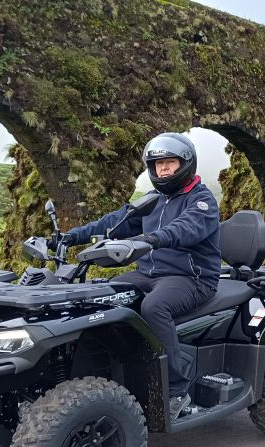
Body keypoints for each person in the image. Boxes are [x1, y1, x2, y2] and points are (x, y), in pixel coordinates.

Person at [58, 133, 220, 421]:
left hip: (192, 278)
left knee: (154, 306)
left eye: (170, 163)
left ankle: (176, 389)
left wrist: (151, 239)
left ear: (186, 164)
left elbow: (186, 228)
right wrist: (71, 237)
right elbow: (113, 222)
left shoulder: (202, 200)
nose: (164, 170)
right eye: (158, 164)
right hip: (148, 273)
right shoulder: (152, 200)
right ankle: (101, 376)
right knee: (102, 298)